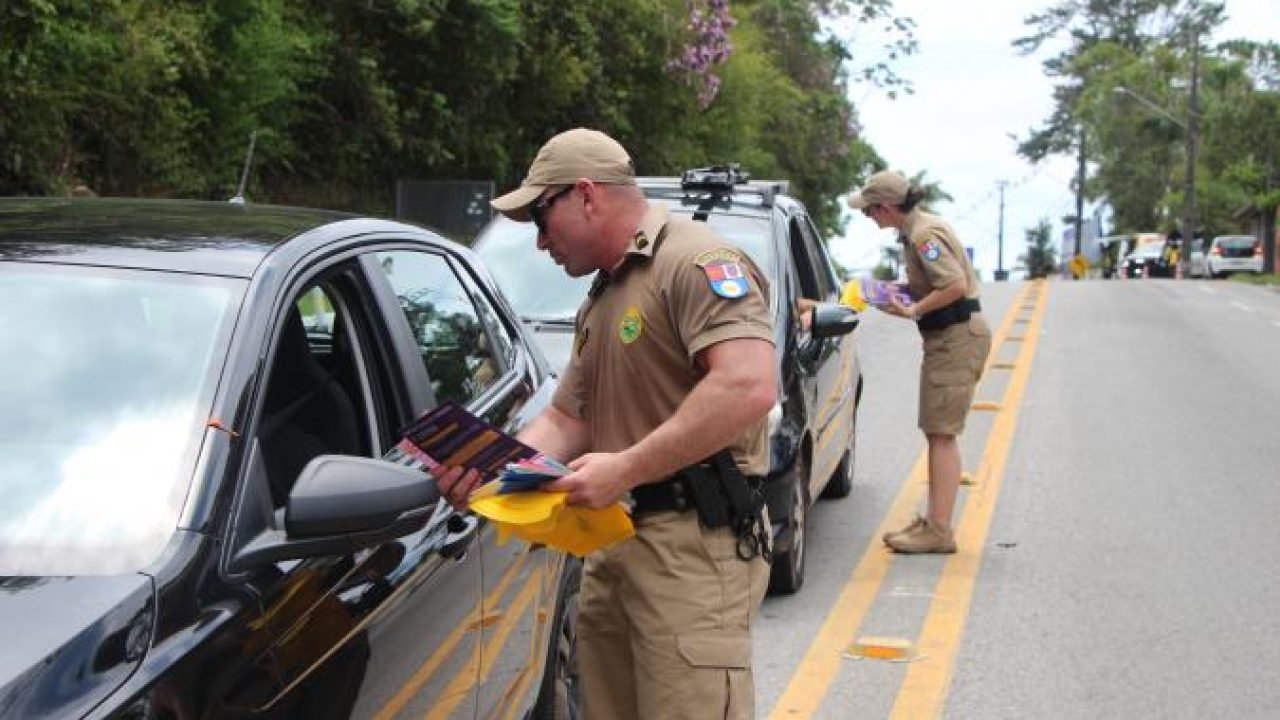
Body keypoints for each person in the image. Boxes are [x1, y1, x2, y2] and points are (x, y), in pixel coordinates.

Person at [434, 128, 776, 720]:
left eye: (542, 217)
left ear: (586, 195)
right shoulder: (605, 295)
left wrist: (626, 467)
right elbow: (570, 420)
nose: (541, 242)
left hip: (692, 547)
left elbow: (748, 383)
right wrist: (487, 476)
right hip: (613, 540)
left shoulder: (695, 262)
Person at [847, 170, 992, 554]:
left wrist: (915, 309)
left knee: (942, 434)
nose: (869, 218)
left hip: (955, 338)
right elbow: (926, 288)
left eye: (871, 211)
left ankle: (940, 531)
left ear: (889, 207)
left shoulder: (924, 236)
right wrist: (877, 295)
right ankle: (934, 522)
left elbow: (955, 284)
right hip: (947, 337)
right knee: (936, 431)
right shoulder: (917, 231)